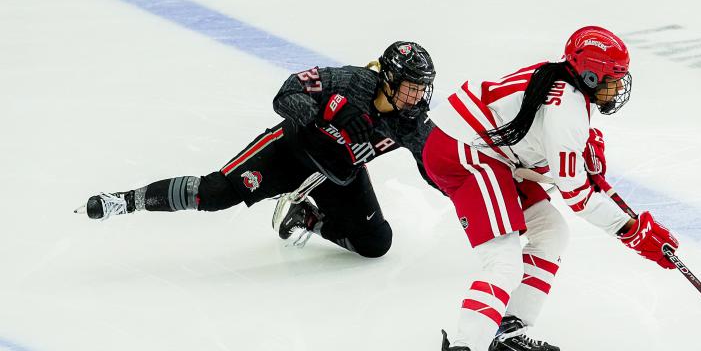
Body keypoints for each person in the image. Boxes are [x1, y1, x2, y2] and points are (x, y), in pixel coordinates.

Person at [421, 26, 679, 351]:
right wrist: (633, 233)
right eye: (613, 78)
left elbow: (548, 154)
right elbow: (578, 196)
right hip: (463, 151)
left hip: (490, 152)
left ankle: (505, 335)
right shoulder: (568, 113)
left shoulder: (564, 83)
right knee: (503, 261)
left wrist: (589, 171)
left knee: (551, 230)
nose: (619, 86)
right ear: (590, 75)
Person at [76, 42, 437, 258]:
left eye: (423, 89)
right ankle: (125, 200)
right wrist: (334, 113)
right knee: (214, 193)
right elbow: (286, 94)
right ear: (388, 80)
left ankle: (304, 218)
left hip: (340, 175)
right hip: (289, 152)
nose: (418, 97)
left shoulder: (410, 122)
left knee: (376, 244)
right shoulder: (350, 81)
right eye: (411, 87)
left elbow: (437, 164)